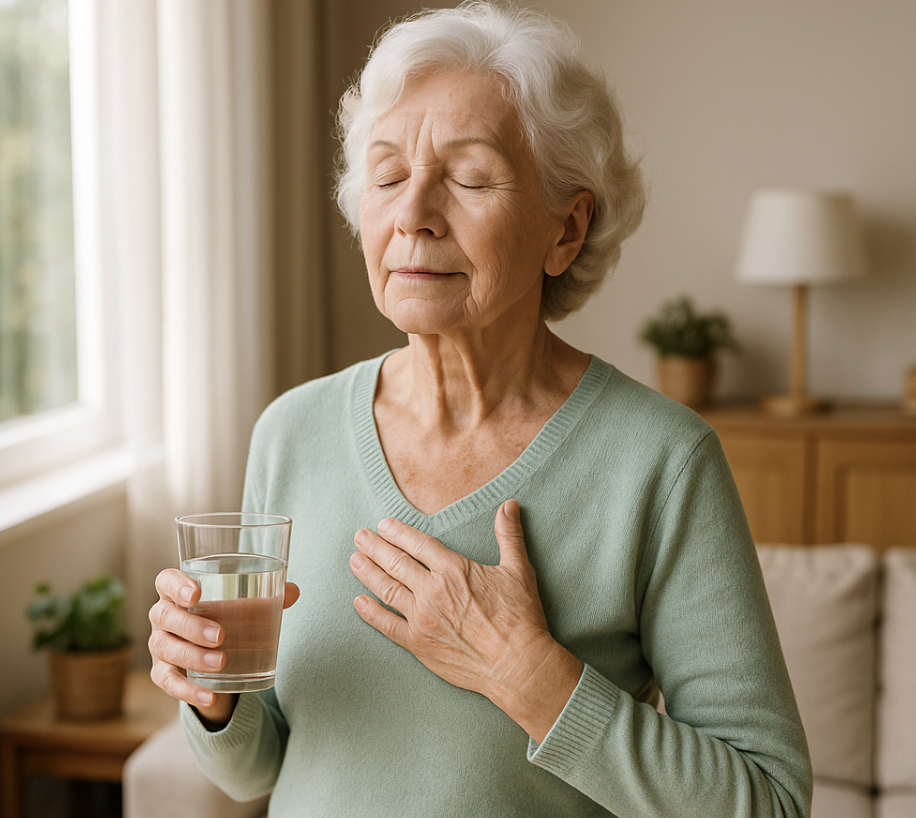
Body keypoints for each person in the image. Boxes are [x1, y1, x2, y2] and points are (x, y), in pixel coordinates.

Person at [148, 2, 813, 816]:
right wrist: (213, 695)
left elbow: (771, 801)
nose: (413, 215)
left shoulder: (663, 461)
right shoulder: (293, 430)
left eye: (467, 178)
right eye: (387, 177)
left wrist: (527, 675)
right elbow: (255, 771)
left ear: (565, 230)